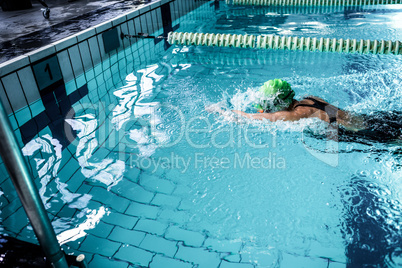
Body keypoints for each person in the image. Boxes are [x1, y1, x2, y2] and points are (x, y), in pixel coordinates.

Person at [210, 78, 402, 143]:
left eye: (268, 105)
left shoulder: (292, 115)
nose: (265, 109)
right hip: (373, 118)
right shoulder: (310, 99)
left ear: (277, 104)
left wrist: (221, 111)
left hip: (371, 133)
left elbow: (248, 119)